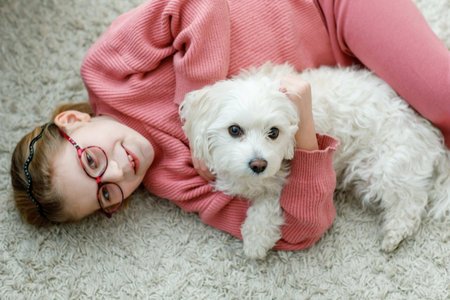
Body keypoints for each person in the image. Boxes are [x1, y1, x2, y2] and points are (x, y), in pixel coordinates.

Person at [10, 0, 449, 251]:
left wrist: (199, 111)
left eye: (91, 160)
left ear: (72, 121)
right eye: (106, 194)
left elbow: (197, 4)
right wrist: (307, 128)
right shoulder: (172, 178)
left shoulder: (107, 71)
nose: (119, 172)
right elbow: (298, 231)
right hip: (342, 79)